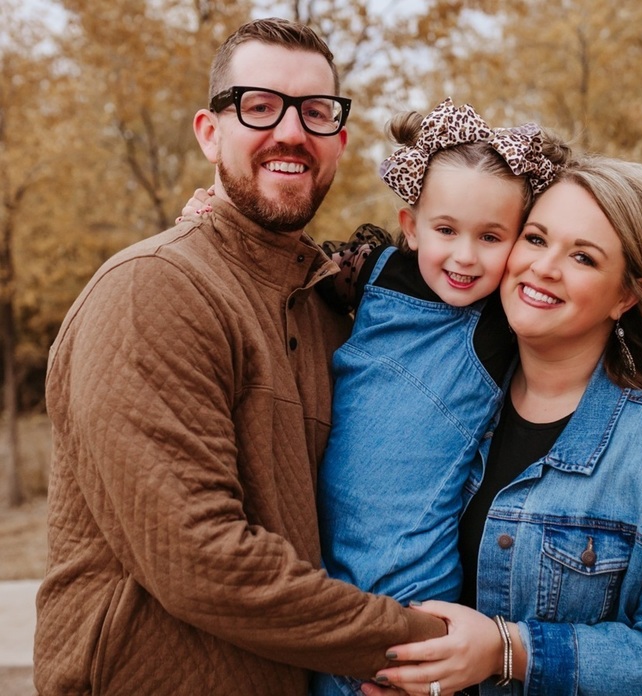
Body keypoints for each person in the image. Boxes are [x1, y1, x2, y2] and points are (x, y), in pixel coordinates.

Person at [182, 101, 642, 696]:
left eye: (492, 238)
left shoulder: (495, 321)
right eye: (446, 230)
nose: (464, 257)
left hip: (409, 594)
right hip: (323, 587)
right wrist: (218, 225)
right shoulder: (366, 273)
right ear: (410, 226)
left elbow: (577, 318)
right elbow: (286, 270)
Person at [33, 17, 447, 696]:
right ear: (209, 131)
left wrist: (632, 363)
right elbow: (198, 559)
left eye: (316, 113)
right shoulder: (154, 288)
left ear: (339, 142)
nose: (291, 132)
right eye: (259, 106)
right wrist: (418, 644)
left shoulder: (328, 310)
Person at [363, 155, 642, 696]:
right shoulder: (448, 392)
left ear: (626, 295)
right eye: (534, 239)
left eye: (582, 256)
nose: (544, 267)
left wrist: (512, 651)